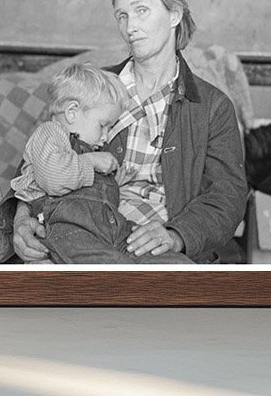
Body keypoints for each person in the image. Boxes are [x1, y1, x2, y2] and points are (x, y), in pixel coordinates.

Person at [11, 0, 248, 264]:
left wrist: (176, 235)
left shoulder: (212, 106)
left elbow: (227, 196)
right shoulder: (90, 87)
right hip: (81, 231)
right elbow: (36, 161)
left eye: (141, 11)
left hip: (155, 242)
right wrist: (21, 221)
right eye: (122, 16)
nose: (130, 26)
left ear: (174, 15)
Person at [11, 63, 194, 265]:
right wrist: (91, 161)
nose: (106, 137)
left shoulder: (85, 146)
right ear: (72, 112)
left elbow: (86, 186)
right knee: (115, 269)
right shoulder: (50, 133)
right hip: (69, 229)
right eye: (103, 125)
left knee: (174, 264)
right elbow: (54, 178)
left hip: (110, 229)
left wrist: (114, 181)